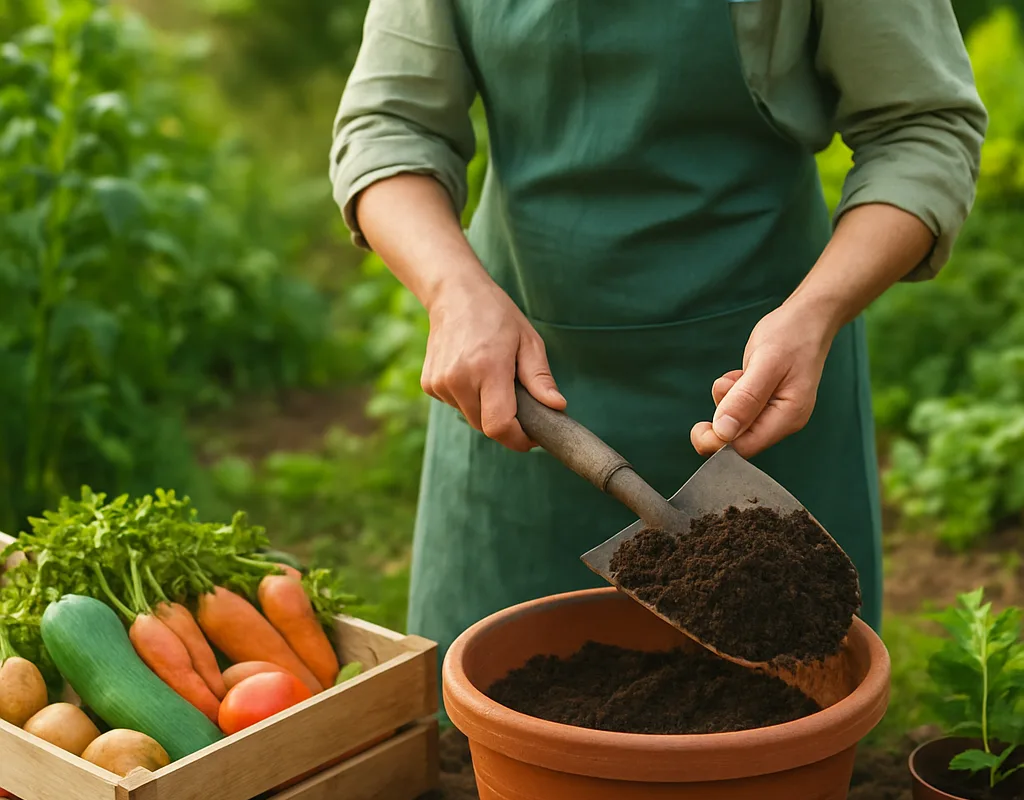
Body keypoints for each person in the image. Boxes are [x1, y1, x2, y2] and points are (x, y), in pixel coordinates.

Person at [331, 0, 986, 693]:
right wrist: (453, 293)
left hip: (760, 369)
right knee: (491, 746)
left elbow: (922, 127)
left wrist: (815, 313)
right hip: (520, 373)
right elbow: (389, 125)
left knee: (785, 725)